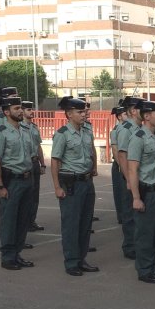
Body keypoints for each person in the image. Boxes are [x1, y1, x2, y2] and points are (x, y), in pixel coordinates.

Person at [51, 96, 98, 277]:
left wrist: (93, 167)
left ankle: (81, 259)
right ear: (69, 114)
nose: (84, 114)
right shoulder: (62, 134)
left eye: (84, 111)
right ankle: (71, 262)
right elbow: (55, 161)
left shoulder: (87, 130)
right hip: (71, 184)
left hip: (87, 182)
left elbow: (91, 149)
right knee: (71, 224)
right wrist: (57, 187)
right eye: (79, 112)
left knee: (85, 223)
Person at [0, 95, 35, 270]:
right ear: (6, 112)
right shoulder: (1, 131)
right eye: (16, 109)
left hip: (27, 179)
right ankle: (8, 257)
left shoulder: (25, 129)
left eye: (20, 108)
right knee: (9, 220)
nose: (20, 111)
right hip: (12, 181)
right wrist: (0, 186)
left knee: (23, 220)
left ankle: (17, 253)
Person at [128, 100, 155, 284]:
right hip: (146, 192)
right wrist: (136, 198)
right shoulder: (138, 137)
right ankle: (144, 270)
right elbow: (132, 169)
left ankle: (152, 265)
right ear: (146, 116)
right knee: (145, 233)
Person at [113, 97, 143, 260]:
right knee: (130, 213)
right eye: (140, 108)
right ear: (133, 111)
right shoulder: (126, 129)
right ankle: (130, 246)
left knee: (139, 214)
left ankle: (137, 244)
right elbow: (122, 156)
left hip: (139, 176)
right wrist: (129, 180)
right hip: (129, 176)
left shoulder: (140, 128)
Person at [21, 101, 45, 236]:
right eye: (29, 110)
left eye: (32, 109)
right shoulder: (20, 127)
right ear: (23, 111)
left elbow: (38, 146)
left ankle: (32, 221)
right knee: (27, 194)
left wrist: (43, 164)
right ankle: (25, 222)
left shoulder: (34, 127)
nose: (32, 112)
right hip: (26, 163)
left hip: (35, 163)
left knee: (35, 194)